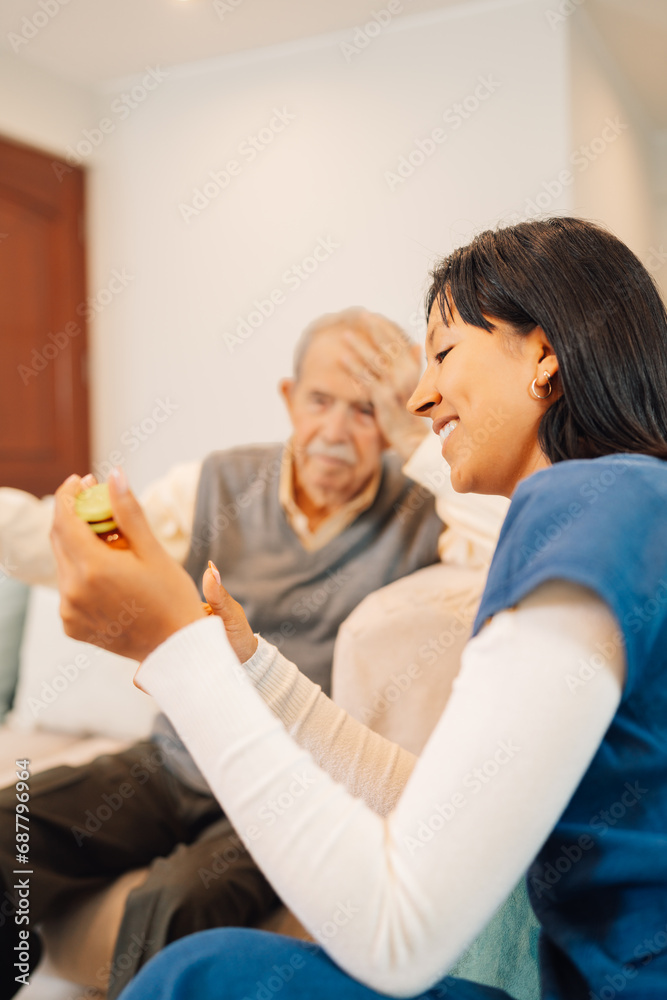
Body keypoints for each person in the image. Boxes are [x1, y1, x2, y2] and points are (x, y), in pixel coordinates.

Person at [50, 215, 667, 1000]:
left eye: (442, 352)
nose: (418, 393)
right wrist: (252, 669)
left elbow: (397, 936)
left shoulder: (581, 508)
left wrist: (175, 649)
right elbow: (445, 811)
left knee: (197, 977)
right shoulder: (628, 503)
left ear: (544, 354)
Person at [0, 308, 447, 998]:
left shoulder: (428, 512)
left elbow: (506, 539)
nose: (334, 431)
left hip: (280, 785)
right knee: (12, 822)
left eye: (364, 410)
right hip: (174, 759)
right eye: (320, 401)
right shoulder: (215, 482)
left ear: (392, 420)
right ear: (287, 399)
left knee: (175, 902)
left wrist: (418, 440)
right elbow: (84, 549)